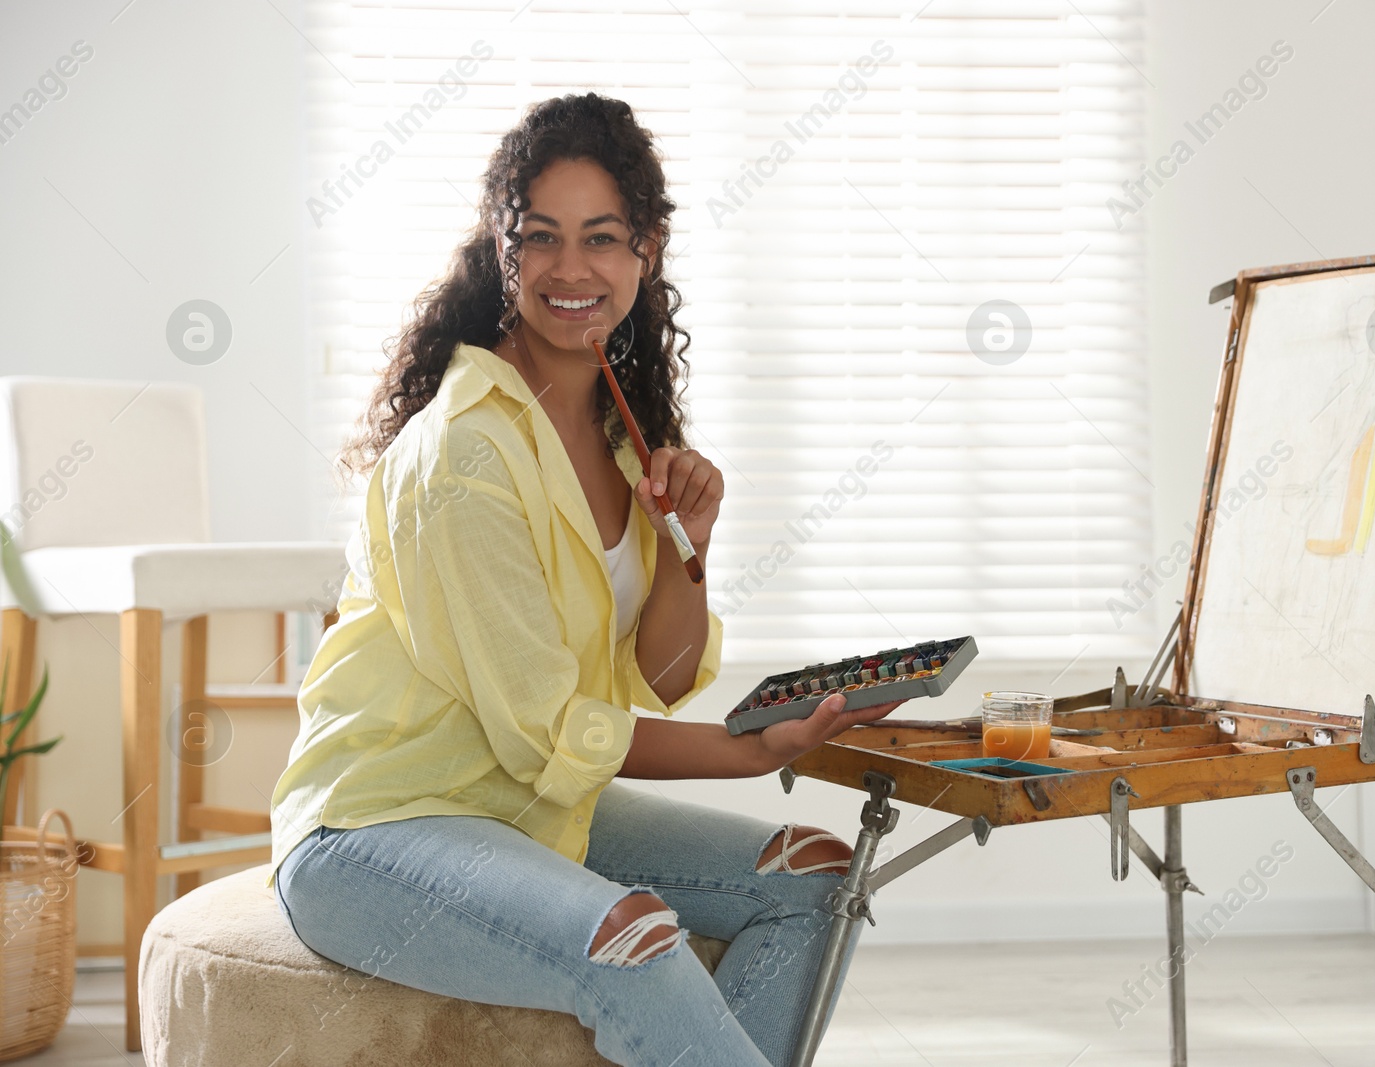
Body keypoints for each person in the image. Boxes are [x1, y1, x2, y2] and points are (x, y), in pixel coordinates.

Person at [267, 92, 903, 1067]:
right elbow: (548, 730)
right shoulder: (460, 458)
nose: (572, 269)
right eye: (542, 237)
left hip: (530, 811)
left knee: (817, 875)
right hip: (379, 829)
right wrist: (747, 749)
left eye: (601, 237)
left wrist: (690, 540)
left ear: (645, 249)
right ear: (502, 248)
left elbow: (663, 670)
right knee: (632, 944)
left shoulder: (618, 433)